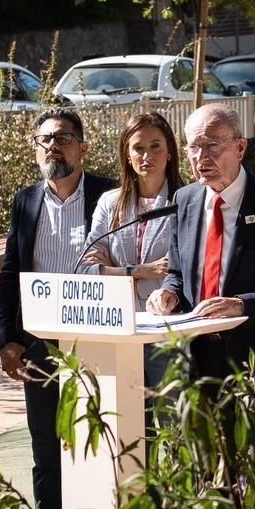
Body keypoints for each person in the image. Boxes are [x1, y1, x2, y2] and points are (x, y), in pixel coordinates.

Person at [0, 109, 117, 509]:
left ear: (82, 147)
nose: (53, 146)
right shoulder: (25, 201)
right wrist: (7, 339)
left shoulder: (110, 195)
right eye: (45, 139)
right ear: (35, 148)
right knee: (47, 449)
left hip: (99, 340)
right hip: (42, 345)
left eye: (63, 138)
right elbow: (11, 273)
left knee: (99, 443)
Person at [146, 104, 255, 392]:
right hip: (200, 366)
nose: (201, 157)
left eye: (212, 145)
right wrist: (169, 294)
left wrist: (243, 305)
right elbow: (178, 274)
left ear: (240, 148)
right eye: (194, 147)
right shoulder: (185, 200)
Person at [75, 110, 182, 392]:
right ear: (127, 155)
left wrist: (109, 266)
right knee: (126, 421)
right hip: (120, 325)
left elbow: (183, 266)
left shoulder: (187, 200)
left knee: (171, 420)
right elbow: (86, 268)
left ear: (169, 151)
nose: (147, 156)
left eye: (155, 146)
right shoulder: (110, 203)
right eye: (138, 148)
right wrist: (139, 271)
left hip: (169, 328)